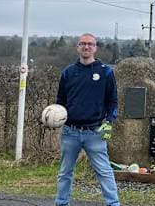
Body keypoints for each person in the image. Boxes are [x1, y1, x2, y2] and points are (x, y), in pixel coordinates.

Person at [55, 33, 120, 206]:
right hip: (70, 132)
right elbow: (60, 102)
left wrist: (109, 121)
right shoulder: (68, 72)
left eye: (90, 44)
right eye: (83, 44)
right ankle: (61, 203)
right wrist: (55, 117)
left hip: (95, 132)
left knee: (104, 171)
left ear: (95, 48)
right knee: (64, 172)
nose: (86, 47)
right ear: (77, 47)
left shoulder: (105, 72)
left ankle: (113, 203)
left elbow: (112, 101)